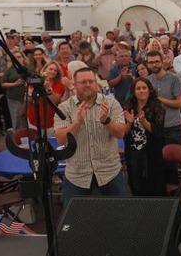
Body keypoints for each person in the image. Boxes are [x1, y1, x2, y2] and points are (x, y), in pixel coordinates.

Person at [54, 67, 127, 206]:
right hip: (77, 174)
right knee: (74, 221)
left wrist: (106, 121)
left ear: (96, 83)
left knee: (120, 216)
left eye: (91, 81)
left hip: (109, 171)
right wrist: (77, 122)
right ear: (74, 85)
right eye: (83, 82)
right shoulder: (64, 108)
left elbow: (120, 133)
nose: (88, 85)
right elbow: (61, 140)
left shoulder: (111, 103)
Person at [122, 77, 166, 196]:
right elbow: (124, 133)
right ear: (134, 92)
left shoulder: (157, 107)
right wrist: (130, 123)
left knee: (151, 183)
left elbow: (158, 132)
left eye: (144, 88)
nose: (141, 91)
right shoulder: (128, 106)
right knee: (136, 183)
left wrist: (144, 122)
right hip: (133, 151)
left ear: (149, 90)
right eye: (138, 88)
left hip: (151, 151)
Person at [27, 61, 70, 133]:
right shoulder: (36, 81)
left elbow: (55, 102)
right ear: (45, 69)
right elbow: (29, 100)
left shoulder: (59, 85)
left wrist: (48, 89)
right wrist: (30, 93)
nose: (53, 71)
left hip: (51, 120)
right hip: (34, 119)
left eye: (55, 70)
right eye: (50, 69)